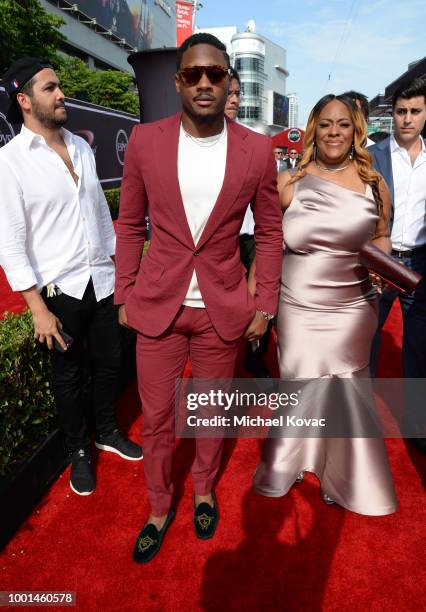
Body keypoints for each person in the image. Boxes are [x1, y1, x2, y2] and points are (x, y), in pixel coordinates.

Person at [114, 33, 283, 562]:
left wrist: (266, 305)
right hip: (158, 307)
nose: (205, 83)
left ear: (229, 79)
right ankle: (159, 506)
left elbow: (272, 232)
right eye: (194, 74)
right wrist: (124, 293)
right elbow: (129, 224)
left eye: (215, 73)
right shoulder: (145, 141)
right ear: (178, 81)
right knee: (158, 418)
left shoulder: (257, 150)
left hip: (222, 308)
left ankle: (203, 490)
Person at [0, 57, 142, 497]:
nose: (61, 94)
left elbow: (101, 216)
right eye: (50, 88)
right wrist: (37, 309)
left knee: (109, 364)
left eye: (59, 86)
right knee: (67, 376)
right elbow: (11, 239)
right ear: (24, 100)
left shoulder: (80, 147)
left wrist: (121, 275)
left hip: (100, 278)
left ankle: (106, 432)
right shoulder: (10, 161)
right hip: (59, 287)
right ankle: (78, 451)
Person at [253, 94, 397, 516]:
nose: (335, 132)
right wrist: (258, 301)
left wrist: (381, 261)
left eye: (344, 125)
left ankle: (347, 475)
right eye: (327, 124)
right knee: (299, 379)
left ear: (356, 131)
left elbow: (383, 235)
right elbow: (268, 245)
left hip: (354, 304)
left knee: (346, 385)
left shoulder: (374, 182)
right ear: (313, 129)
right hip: (298, 304)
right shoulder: (289, 181)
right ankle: (294, 459)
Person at [369, 77, 426, 453]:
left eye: (415, 112)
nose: (407, 119)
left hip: (421, 263)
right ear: (392, 115)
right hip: (380, 260)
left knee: (419, 349)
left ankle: (416, 424)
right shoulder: (372, 157)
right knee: (365, 342)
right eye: (401, 112)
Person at [225, 69, 273, 380]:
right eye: (228, 92)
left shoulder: (253, 144)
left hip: (250, 237)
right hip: (217, 241)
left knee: (262, 302)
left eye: (237, 93)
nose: (233, 99)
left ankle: (255, 359)